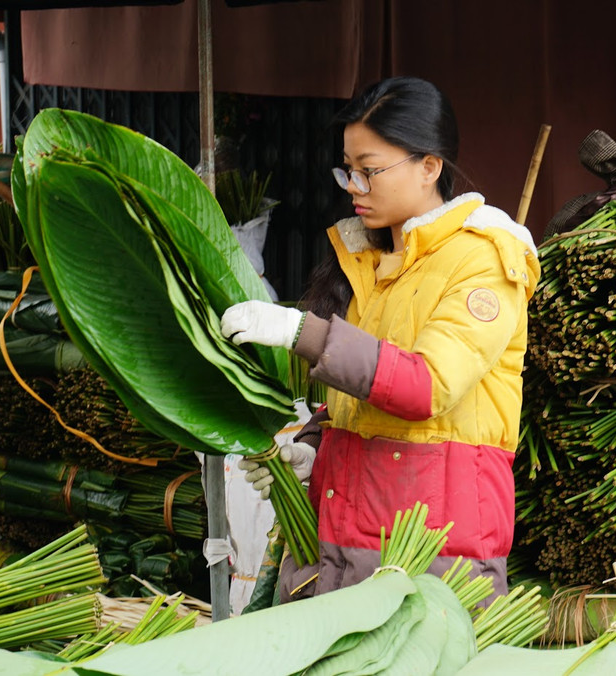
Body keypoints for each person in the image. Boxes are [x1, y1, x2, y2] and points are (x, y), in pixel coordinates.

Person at [220, 76, 539, 603]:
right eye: (348, 170)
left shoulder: (485, 259)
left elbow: (425, 386)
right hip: (341, 551)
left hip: (430, 566)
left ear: (429, 167)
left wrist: (300, 330)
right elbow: (365, 397)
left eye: (370, 171)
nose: (354, 187)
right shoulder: (369, 259)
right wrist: (313, 450)